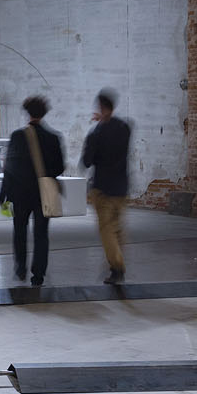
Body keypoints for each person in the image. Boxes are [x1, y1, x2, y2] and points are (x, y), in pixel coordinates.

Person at [0, 95, 65, 286]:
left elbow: (9, 167)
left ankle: (20, 268)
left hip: (19, 193)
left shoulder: (18, 136)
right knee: (41, 234)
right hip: (43, 193)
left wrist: (3, 193)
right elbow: (59, 167)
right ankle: (38, 274)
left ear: (27, 113)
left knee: (20, 230)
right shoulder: (53, 138)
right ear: (44, 113)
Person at [81, 88, 132, 284]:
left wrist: (97, 129)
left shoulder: (97, 133)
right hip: (121, 187)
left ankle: (117, 268)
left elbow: (87, 161)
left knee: (107, 230)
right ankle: (118, 262)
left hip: (103, 189)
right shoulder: (124, 128)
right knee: (118, 229)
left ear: (101, 108)